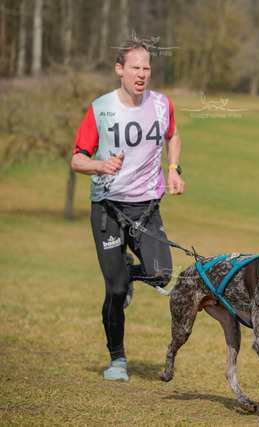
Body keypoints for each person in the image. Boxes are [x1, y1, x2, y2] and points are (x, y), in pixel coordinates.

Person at [71, 36, 185, 382]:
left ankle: (126, 272)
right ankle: (117, 360)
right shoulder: (101, 108)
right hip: (108, 208)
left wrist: (174, 169)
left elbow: (173, 135)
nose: (142, 74)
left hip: (146, 208)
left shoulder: (162, 104)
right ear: (119, 69)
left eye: (146, 68)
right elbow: (77, 160)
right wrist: (100, 165)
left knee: (161, 274)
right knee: (116, 289)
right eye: (135, 67)